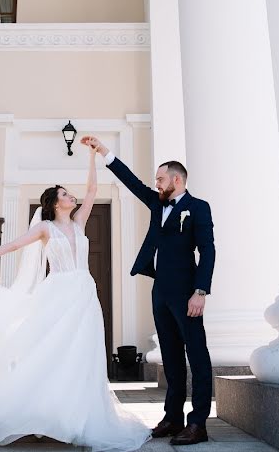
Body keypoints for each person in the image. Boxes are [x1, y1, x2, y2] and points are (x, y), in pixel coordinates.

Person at [0, 141, 150, 452]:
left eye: (70, 193)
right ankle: (37, 413)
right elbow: (14, 245)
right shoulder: (44, 229)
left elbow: (93, 190)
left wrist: (94, 157)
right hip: (57, 294)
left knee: (82, 355)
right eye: (65, 194)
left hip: (84, 295)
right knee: (50, 351)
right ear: (55, 203)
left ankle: (75, 417)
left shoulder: (79, 223)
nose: (72, 196)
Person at [80, 135, 215, 446]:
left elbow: (208, 251)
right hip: (160, 291)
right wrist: (103, 151)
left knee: (196, 354)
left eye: (160, 179)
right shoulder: (157, 202)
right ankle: (172, 418)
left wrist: (201, 291)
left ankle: (198, 424)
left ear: (176, 180)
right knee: (170, 356)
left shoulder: (197, 208)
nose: (156, 184)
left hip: (187, 292)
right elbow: (131, 182)